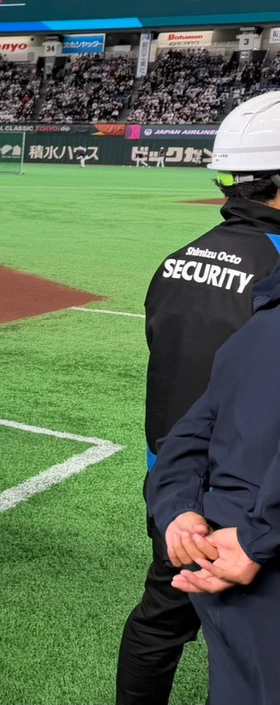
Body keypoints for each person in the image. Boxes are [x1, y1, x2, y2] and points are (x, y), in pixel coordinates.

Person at [117, 91, 280, 705]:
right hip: (253, 499)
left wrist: (174, 497)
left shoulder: (178, 259)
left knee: (161, 619)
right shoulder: (275, 267)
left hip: (175, 485)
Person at [148, 263, 280, 703]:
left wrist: (178, 511)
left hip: (220, 554)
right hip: (251, 559)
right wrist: (258, 537)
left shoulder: (258, 324)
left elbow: (190, 431)